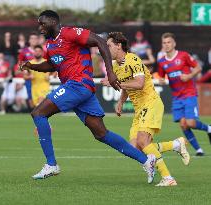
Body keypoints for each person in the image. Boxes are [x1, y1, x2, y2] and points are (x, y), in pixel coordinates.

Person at [18, 10, 156, 181]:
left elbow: (100, 41)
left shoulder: (69, 33)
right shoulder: (50, 44)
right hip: (79, 89)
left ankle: (51, 164)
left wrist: (111, 72)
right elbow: (52, 65)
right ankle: (146, 160)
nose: (40, 28)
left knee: (38, 113)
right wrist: (31, 65)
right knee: (101, 134)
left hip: (78, 84)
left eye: (42, 23)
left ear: (53, 22)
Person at [102, 32, 191, 186]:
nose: (106, 49)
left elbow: (139, 83)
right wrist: (121, 102)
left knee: (143, 140)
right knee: (134, 148)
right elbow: (125, 86)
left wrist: (115, 83)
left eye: (108, 45)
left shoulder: (133, 59)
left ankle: (168, 178)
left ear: (118, 46)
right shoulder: (116, 66)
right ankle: (176, 144)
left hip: (151, 103)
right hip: (139, 109)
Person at [158, 32, 211, 155]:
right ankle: (199, 150)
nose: (166, 45)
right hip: (176, 97)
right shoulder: (161, 62)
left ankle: (209, 128)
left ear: (174, 43)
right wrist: (161, 80)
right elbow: (161, 77)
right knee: (183, 125)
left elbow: (198, 68)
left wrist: (189, 76)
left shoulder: (183, 56)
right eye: (164, 43)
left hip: (189, 93)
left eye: (169, 42)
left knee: (191, 122)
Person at [18, 32, 40, 110]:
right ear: (29, 40)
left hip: (40, 79)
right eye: (32, 38)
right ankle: (35, 114)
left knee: (41, 98)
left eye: (35, 38)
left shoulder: (42, 51)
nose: (34, 40)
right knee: (31, 99)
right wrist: (25, 71)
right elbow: (20, 64)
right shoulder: (24, 51)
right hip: (30, 78)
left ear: (38, 40)